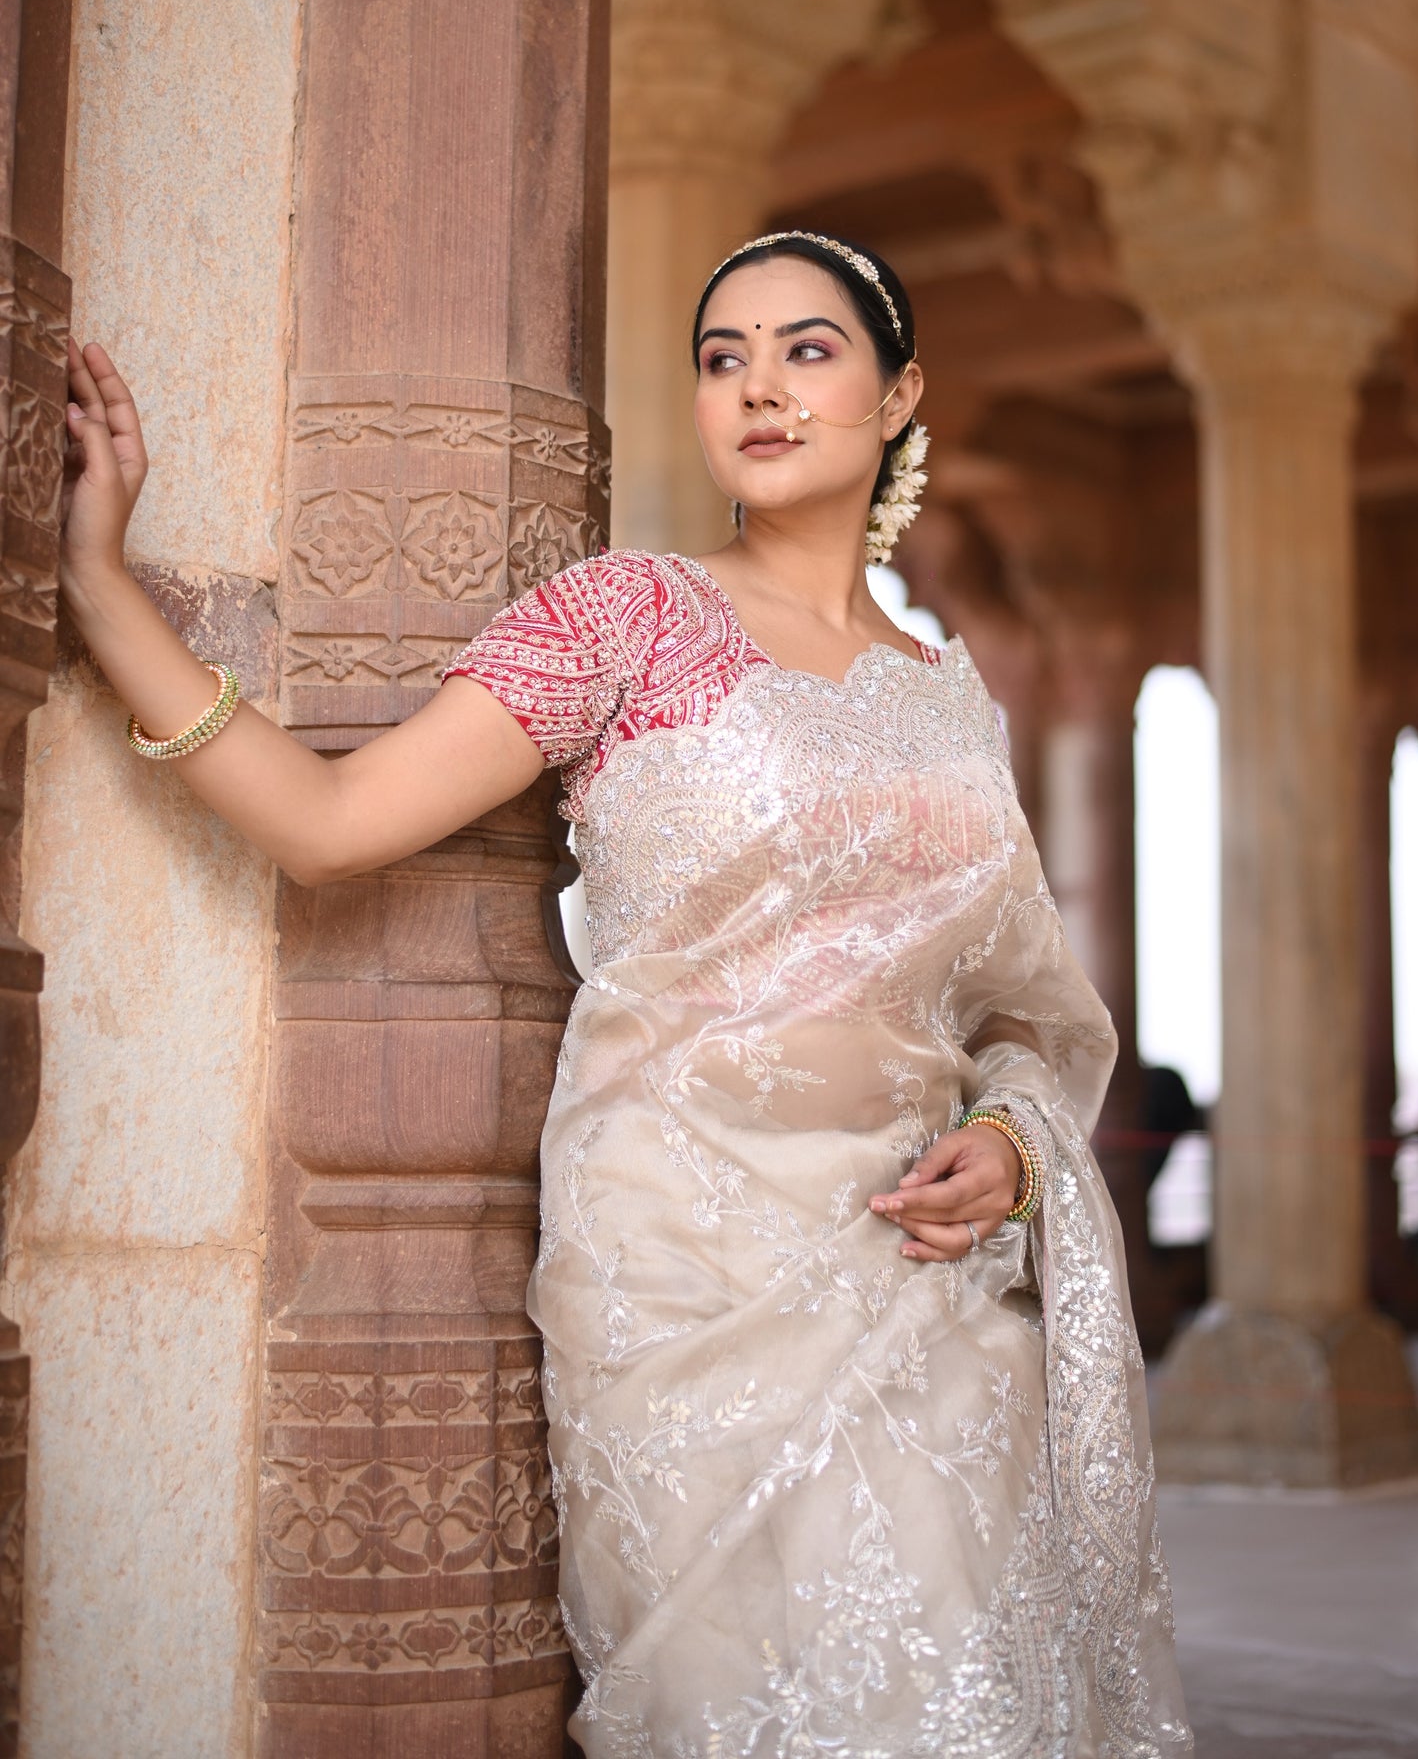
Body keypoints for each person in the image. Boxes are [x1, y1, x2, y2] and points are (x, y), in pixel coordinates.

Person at [61, 230, 1191, 1755]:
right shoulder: (624, 619)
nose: (760, 390)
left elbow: (1018, 1013)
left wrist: (1003, 1144)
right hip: (678, 1264)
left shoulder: (948, 700)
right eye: (723, 358)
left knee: (966, 1687)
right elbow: (329, 829)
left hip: (916, 1272)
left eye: (808, 350)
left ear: (899, 390)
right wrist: (103, 588)